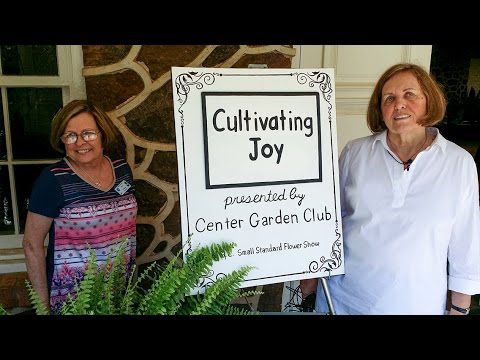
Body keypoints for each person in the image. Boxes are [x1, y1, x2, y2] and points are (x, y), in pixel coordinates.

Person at [300, 63, 480, 315]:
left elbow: (466, 244)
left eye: (410, 95)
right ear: (380, 109)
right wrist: (309, 284)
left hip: (419, 305)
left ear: (429, 100)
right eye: (389, 98)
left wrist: (459, 309)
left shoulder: (458, 162)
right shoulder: (355, 152)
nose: (399, 104)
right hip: (343, 302)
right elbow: (328, 221)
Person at [22, 99, 137, 314]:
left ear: (102, 134)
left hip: (120, 293)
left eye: (88, 134)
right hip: (74, 300)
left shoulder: (122, 170)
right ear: (62, 140)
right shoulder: (53, 180)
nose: (80, 143)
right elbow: (31, 244)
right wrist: (43, 309)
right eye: (70, 136)